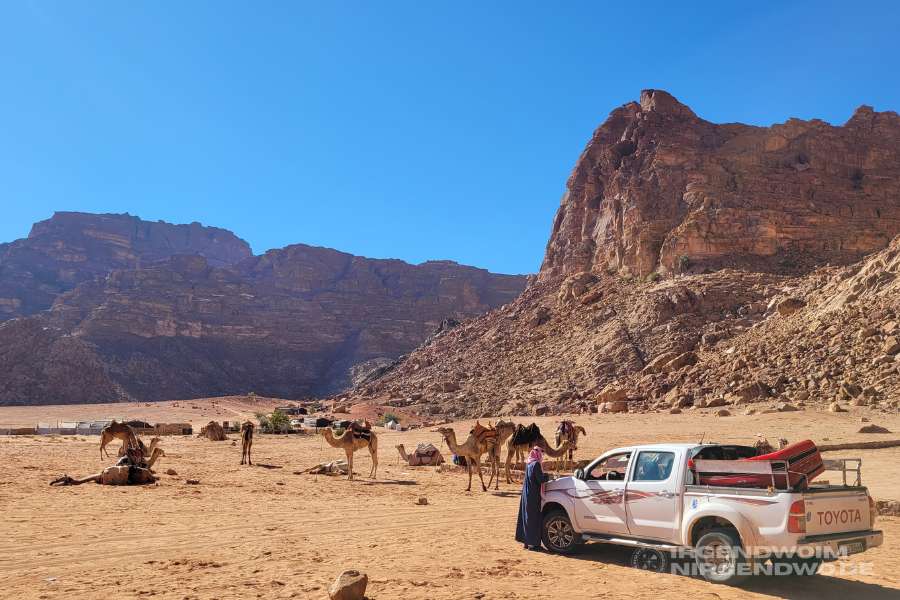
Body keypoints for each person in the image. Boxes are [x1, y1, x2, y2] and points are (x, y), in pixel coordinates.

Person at [515, 445, 549, 551]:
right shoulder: (536, 465)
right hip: (533, 496)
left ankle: (526, 542)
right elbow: (540, 479)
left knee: (526, 518)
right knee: (533, 519)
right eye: (541, 453)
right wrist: (548, 476)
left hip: (527, 495)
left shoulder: (529, 464)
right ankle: (534, 544)